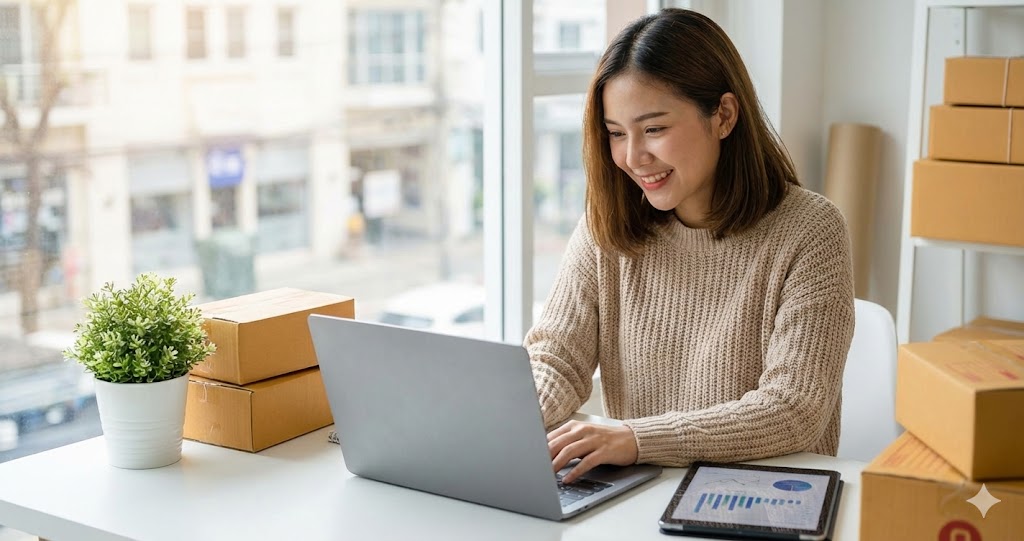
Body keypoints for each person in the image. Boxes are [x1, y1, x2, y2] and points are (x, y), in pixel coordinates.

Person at [526, 8, 855, 484]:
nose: (633, 157)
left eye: (654, 129)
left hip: (762, 499)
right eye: (616, 134)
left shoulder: (810, 230)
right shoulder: (608, 228)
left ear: (723, 115)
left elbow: (793, 410)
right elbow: (557, 358)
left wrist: (638, 440)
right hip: (641, 496)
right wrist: (508, 422)